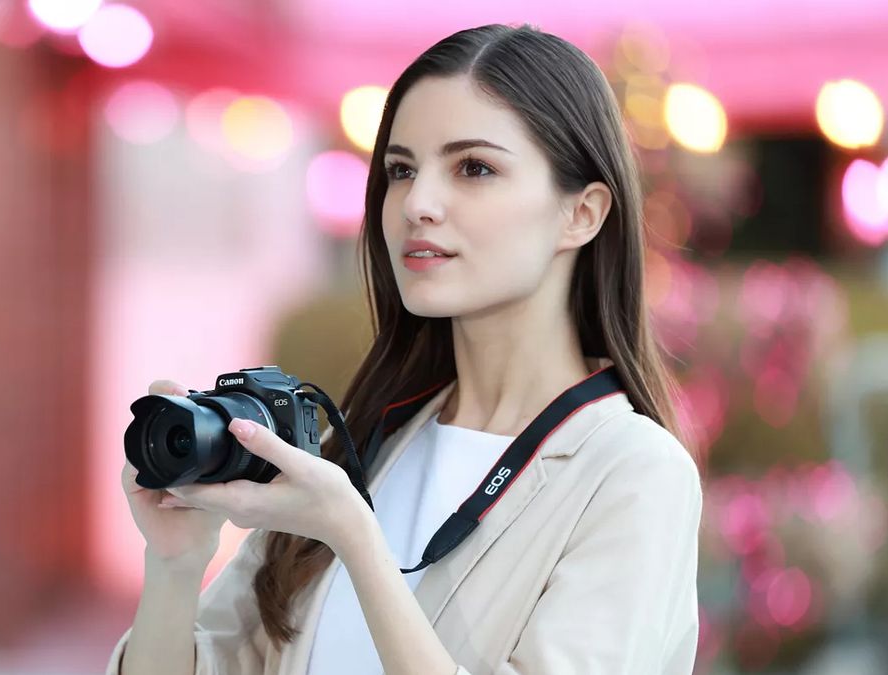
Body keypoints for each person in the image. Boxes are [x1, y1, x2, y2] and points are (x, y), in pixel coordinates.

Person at [111, 23, 703, 675]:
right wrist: (174, 564)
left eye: (473, 167)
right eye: (401, 169)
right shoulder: (364, 443)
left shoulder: (634, 474)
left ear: (582, 213)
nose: (417, 203)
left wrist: (358, 539)